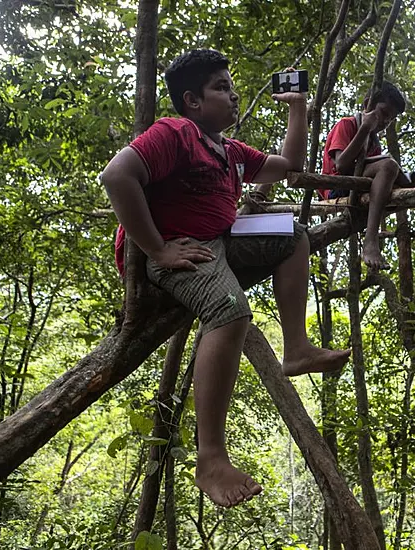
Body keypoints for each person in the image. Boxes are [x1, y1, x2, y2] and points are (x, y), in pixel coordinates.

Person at [99, 49, 350, 508]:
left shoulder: (229, 150)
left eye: (231, 87)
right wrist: (156, 248)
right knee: (229, 310)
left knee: (293, 234)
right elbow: (117, 176)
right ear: (192, 101)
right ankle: (210, 457)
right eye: (221, 87)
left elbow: (288, 166)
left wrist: (297, 107)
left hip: (219, 238)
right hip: (179, 246)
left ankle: (295, 347)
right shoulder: (175, 133)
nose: (233, 95)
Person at [321, 82, 415, 280]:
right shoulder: (348, 124)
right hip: (338, 188)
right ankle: (371, 240)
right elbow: (341, 164)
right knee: (389, 165)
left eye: (391, 118)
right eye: (384, 112)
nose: (386, 121)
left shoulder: (374, 141)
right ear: (368, 104)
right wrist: (364, 130)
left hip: (362, 185)